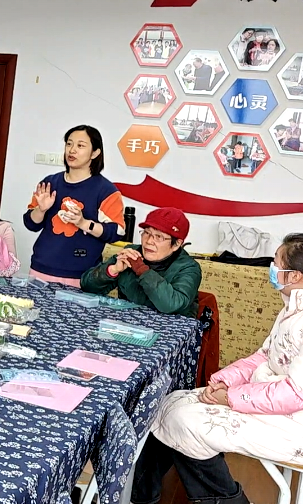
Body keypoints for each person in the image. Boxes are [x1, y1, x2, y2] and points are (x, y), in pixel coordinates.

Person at [130, 234, 303, 504]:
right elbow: (263, 357)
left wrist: (230, 397)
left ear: (294, 276)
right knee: (167, 403)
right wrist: (224, 381)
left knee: (185, 422)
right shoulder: (290, 310)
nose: (271, 267)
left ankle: (228, 499)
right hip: (267, 399)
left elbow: (295, 394)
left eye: (276, 262)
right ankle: (140, 496)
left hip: (292, 422)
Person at [24, 125, 125, 287]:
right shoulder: (50, 183)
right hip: (41, 268)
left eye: (80, 145)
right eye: (69, 144)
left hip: (82, 274)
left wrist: (83, 223)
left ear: (95, 153)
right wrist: (41, 210)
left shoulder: (106, 191)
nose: (72, 150)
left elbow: (117, 232)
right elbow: (30, 224)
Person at [79, 207, 200, 316]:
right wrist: (112, 270)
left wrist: (142, 270)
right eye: (146, 233)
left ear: (177, 244)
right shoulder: (132, 253)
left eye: (158, 237)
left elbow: (170, 305)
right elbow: (87, 286)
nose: (149, 241)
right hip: (127, 324)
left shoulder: (189, 268)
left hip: (171, 330)